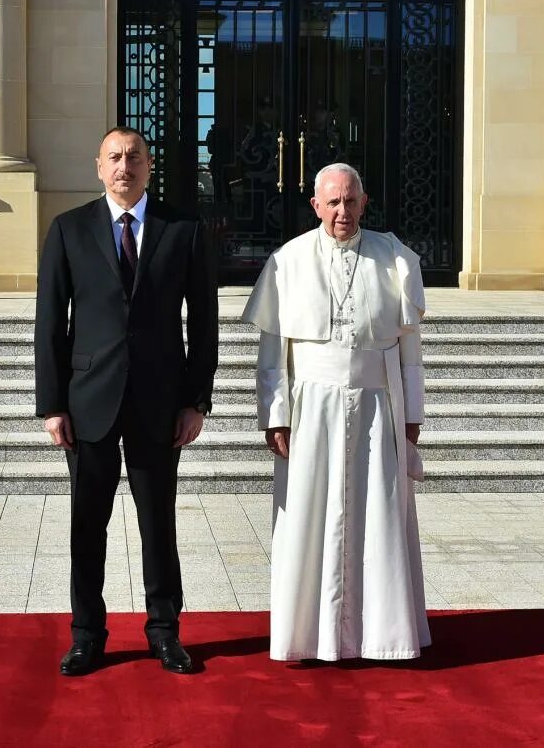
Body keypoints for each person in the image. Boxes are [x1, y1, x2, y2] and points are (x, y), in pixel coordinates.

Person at [35, 126, 218, 677]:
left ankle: (165, 632)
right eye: (114, 157)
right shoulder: (68, 230)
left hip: (160, 403)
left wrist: (197, 400)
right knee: (86, 526)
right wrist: (51, 405)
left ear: (149, 166)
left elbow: (204, 323)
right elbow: (50, 324)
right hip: (88, 401)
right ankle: (87, 635)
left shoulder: (182, 230)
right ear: (98, 166)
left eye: (134, 157)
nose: (124, 166)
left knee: (157, 523)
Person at [242, 162, 431, 662]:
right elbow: (272, 351)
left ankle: (382, 638)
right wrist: (274, 414)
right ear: (316, 206)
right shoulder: (289, 260)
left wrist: (413, 414)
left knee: (379, 516)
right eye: (333, 202)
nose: (342, 211)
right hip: (312, 410)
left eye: (350, 201)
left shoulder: (395, 259)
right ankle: (306, 636)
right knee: (310, 517)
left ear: (363, 203)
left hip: (377, 406)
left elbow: (410, 350)